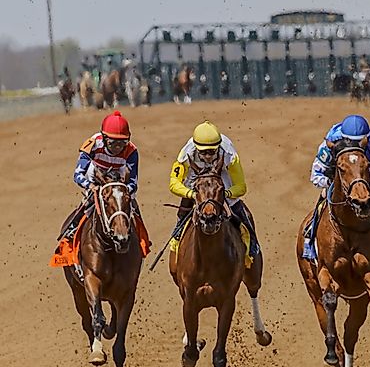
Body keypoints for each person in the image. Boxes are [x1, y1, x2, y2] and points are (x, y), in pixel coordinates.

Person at [302, 114, 370, 261]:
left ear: (366, 139)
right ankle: (310, 238)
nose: (355, 146)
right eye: (352, 142)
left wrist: (368, 190)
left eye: (359, 142)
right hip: (335, 182)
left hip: (364, 181)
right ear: (343, 138)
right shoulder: (330, 143)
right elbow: (316, 175)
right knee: (322, 203)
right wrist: (334, 186)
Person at [168, 121, 260, 258]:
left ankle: (252, 241)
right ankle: (178, 231)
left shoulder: (229, 155)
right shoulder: (186, 155)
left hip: (221, 173)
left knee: (235, 205)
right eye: (203, 153)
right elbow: (174, 183)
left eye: (212, 152)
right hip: (195, 174)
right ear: (196, 148)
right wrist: (192, 194)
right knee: (186, 202)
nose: (208, 157)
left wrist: (226, 194)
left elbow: (241, 186)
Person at [60, 110, 149, 248]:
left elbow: (133, 183)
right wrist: (90, 186)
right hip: (95, 178)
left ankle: (142, 237)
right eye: (113, 143)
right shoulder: (93, 144)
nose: (118, 147)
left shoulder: (132, 151)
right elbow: (77, 175)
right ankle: (72, 229)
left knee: (132, 206)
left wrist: (124, 190)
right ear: (104, 138)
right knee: (88, 202)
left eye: (122, 143)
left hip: (120, 182)